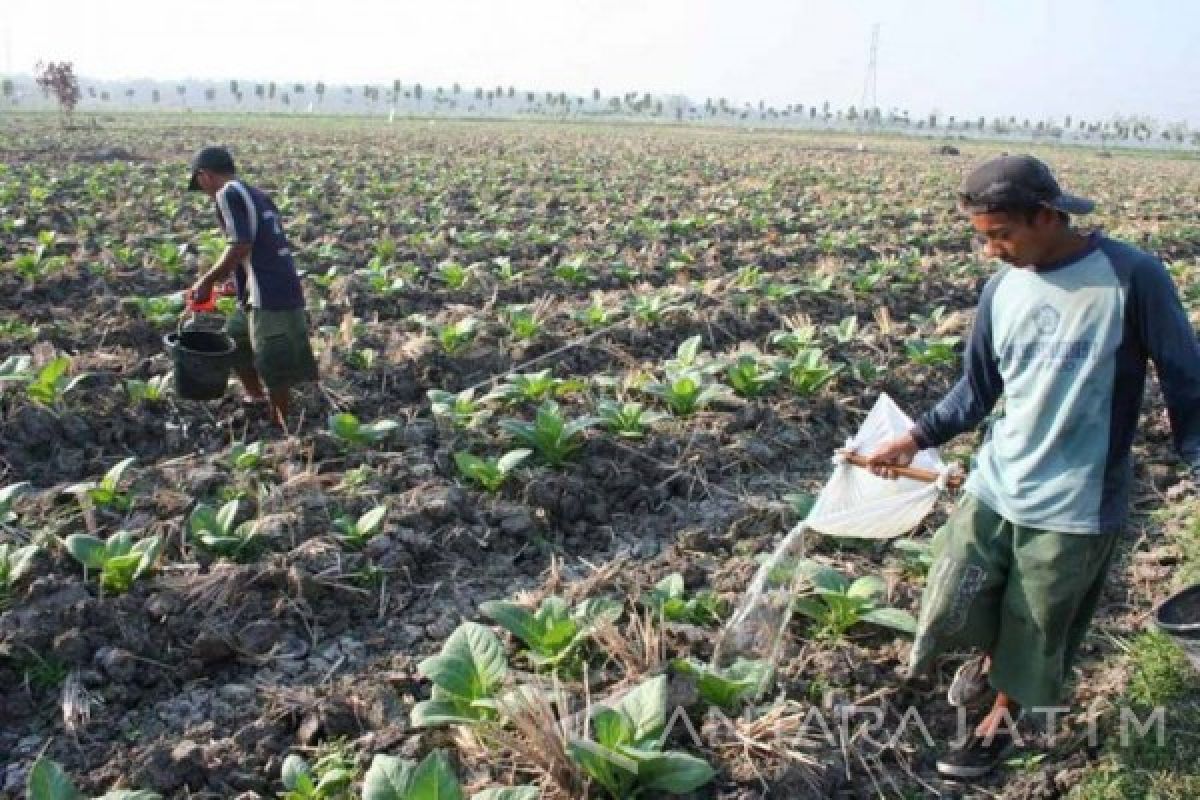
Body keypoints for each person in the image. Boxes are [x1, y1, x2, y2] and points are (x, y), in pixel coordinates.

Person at [866, 154, 1200, 779]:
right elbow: (976, 390)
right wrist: (913, 438)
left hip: (1076, 500)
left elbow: (1188, 382)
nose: (991, 250)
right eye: (983, 237)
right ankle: (993, 669)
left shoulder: (1131, 277)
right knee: (953, 592)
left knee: (1035, 628)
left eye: (1002, 234)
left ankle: (996, 728)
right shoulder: (1002, 289)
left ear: (1049, 216)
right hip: (996, 481)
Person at [186, 146, 318, 429]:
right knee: (234, 339)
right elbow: (261, 247)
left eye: (199, 184)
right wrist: (238, 281)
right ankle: (255, 398)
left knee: (272, 358)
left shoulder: (227, 193)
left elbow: (241, 244)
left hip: (269, 292)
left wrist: (207, 280)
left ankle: (281, 422)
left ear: (204, 176)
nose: (204, 191)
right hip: (265, 286)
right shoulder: (257, 195)